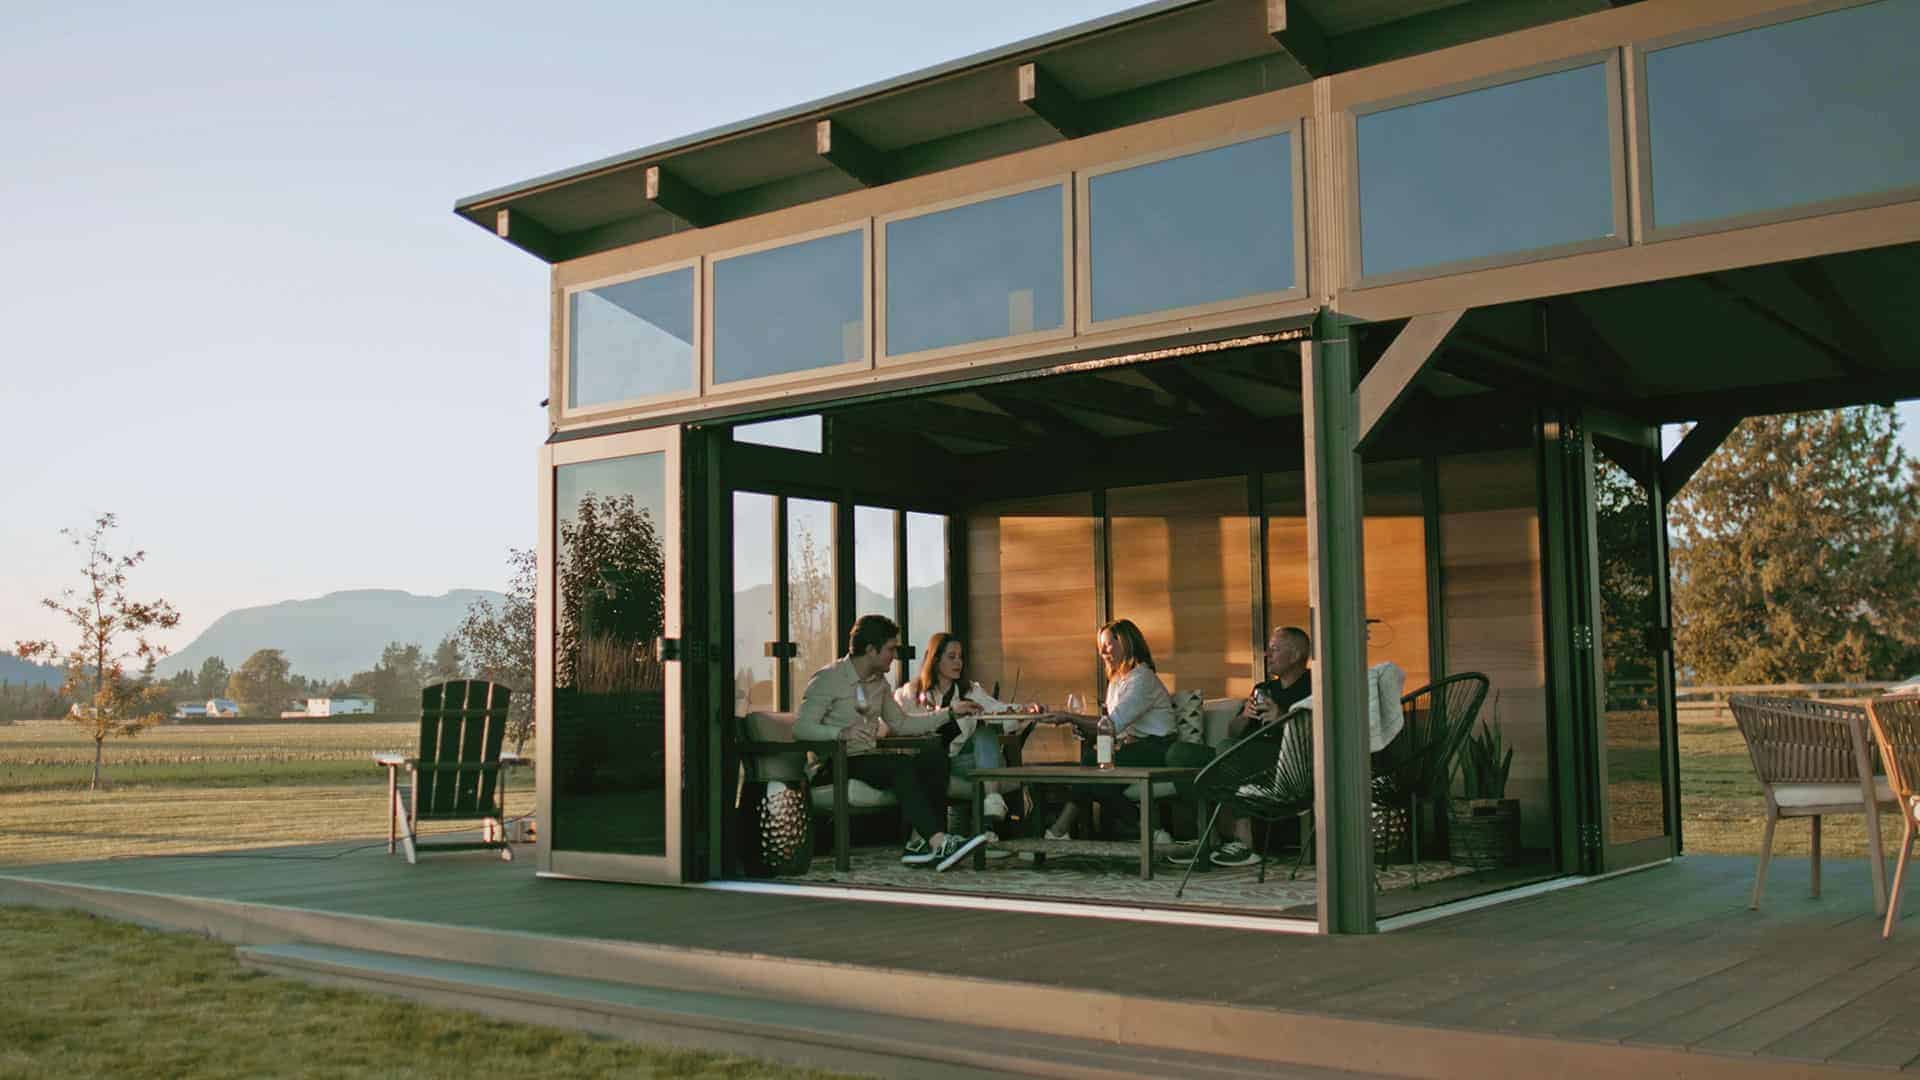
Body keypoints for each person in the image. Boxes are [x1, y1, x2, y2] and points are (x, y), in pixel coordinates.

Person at [793, 614, 987, 871]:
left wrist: (949, 712)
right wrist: (840, 733)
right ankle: (939, 842)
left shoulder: (879, 684)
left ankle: (921, 846)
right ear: (871, 650)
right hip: (834, 763)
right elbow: (801, 728)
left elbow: (903, 723)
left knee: (934, 755)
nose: (894, 656)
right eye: (890, 649)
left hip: (868, 759)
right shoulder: (828, 678)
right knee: (898, 766)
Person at [1172, 626, 1313, 867]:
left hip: (1284, 761)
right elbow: (1233, 732)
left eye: (1274, 649)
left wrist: (1280, 716)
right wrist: (1246, 716)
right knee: (1179, 753)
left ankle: (1244, 839)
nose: (1267, 655)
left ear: (1297, 654)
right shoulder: (1263, 688)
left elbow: (1314, 733)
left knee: (1228, 749)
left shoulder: (1313, 687)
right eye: (1268, 649)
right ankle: (1208, 836)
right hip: (1242, 754)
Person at [1045, 618, 1176, 840]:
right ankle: (1152, 832)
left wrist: (1070, 716)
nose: (1102, 652)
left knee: (1091, 766)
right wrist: (1085, 729)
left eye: (1107, 644)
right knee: (1094, 776)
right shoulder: (1116, 682)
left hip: (1158, 749)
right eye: (1100, 647)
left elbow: (1112, 724)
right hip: (1131, 749)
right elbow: (1110, 727)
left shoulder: (1143, 679)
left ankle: (1059, 830)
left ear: (1126, 643)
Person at [893, 632, 1043, 826]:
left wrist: (1025, 710)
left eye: (960, 657)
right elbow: (897, 721)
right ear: (935, 659)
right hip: (930, 762)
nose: (958, 662)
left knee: (984, 733)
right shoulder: (911, 692)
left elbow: (997, 709)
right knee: (992, 770)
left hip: (959, 761)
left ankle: (992, 803)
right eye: (952, 657)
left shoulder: (970, 691)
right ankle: (989, 823)